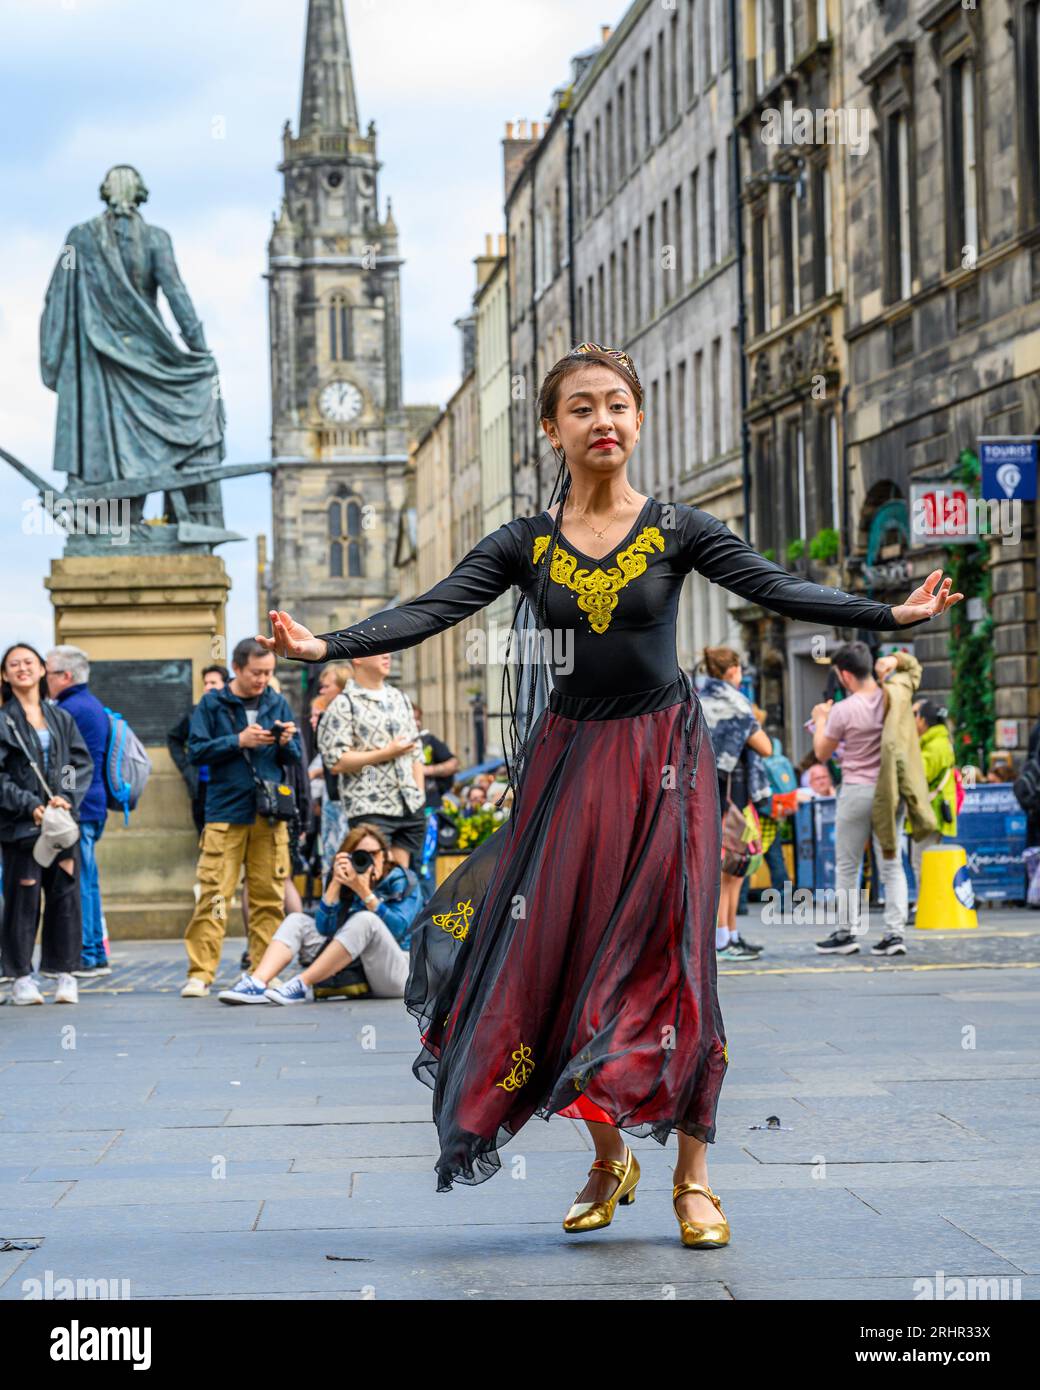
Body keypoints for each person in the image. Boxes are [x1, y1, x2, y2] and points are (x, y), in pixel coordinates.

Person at [257, 340, 960, 1246]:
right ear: (553, 428)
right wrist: (327, 646)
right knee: (559, 961)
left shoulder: (678, 529)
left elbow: (774, 585)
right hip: (573, 764)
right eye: (582, 407)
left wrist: (886, 612)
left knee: (676, 961)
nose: (603, 420)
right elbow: (435, 606)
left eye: (619, 404)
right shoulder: (526, 542)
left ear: (638, 419)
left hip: (666, 761)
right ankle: (605, 1154)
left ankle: (694, 1176)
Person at [180, 639, 301, 998]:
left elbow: (293, 758)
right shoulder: (212, 704)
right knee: (215, 895)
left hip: (269, 814)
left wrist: (286, 741)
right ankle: (200, 974)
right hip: (225, 812)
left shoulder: (277, 702)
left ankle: (263, 973)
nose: (263, 679)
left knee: (268, 897)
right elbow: (195, 751)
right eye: (256, 673)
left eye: (268, 673)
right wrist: (238, 740)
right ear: (237, 668)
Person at [812, 646, 934, 956]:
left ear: (846, 675)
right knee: (891, 863)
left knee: (848, 864)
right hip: (889, 791)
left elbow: (822, 754)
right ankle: (895, 935)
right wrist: (895, 659)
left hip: (856, 791)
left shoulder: (843, 709)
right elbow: (913, 669)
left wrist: (821, 719)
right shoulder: (896, 694)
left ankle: (846, 932)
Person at [218, 824, 424, 1004]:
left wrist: (365, 893)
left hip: (396, 974)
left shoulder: (404, 881)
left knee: (366, 920)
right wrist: (335, 884)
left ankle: (301, 983)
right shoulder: (346, 878)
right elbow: (324, 929)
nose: (369, 860)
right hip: (357, 967)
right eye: (360, 854)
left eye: (374, 853)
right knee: (297, 920)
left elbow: (399, 929)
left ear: (385, 854)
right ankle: (257, 982)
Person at [0, 644, 94, 1005]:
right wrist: (31, 806)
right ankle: (21, 976)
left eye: (29, 662)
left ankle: (65, 974)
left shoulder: (60, 718)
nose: (22, 669)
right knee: (23, 899)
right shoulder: (4, 719)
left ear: (42, 669)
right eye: (14, 665)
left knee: (66, 896)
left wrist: (64, 797)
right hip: (21, 826)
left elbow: (76, 762)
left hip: (60, 823)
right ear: (6, 675)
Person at [317, 653, 426, 871]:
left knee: (402, 883)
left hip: (410, 805)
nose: (388, 655)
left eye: (389, 650)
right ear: (357, 659)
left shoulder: (400, 698)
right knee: (372, 878)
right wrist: (386, 752)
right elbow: (335, 761)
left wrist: (419, 793)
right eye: (379, 650)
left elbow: (416, 752)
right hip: (369, 807)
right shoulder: (343, 704)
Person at [699, 648, 772, 961]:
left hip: (707, 791)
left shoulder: (699, 698)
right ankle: (723, 939)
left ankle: (728, 935)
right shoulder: (736, 702)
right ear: (732, 671)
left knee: (728, 869)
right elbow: (765, 747)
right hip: (734, 793)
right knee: (731, 870)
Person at [44, 645, 112, 977]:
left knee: (80, 881)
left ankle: (86, 952)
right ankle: (95, 951)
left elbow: (71, 763)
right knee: (89, 881)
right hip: (94, 804)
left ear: (65, 676)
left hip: (80, 807)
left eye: (48, 672)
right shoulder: (90, 705)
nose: (44, 678)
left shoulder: (70, 710)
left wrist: (64, 795)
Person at [167, 664, 229, 834]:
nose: (208, 687)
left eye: (213, 683)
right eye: (206, 683)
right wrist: (186, 766)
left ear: (225, 684)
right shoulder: (193, 714)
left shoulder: (233, 711)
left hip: (227, 784)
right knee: (203, 831)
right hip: (201, 785)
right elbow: (174, 739)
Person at [910, 699, 957, 888]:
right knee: (925, 860)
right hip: (931, 810)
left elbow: (919, 774)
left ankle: (927, 904)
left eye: (915, 715)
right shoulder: (936, 741)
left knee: (921, 861)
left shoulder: (935, 744)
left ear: (923, 720)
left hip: (930, 811)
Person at [313, 664, 352, 881]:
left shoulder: (348, 716)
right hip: (331, 794)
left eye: (326, 686)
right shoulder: (324, 715)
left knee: (344, 854)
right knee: (330, 855)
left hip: (348, 796)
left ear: (341, 688)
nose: (321, 691)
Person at [413, 705, 458, 812]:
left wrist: (427, 770)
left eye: (418, 719)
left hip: (429, 804)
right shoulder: (387, 744)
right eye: (413, 719)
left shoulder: (427, 740)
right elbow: (370, 770)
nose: (418, 723)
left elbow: (453, 764)